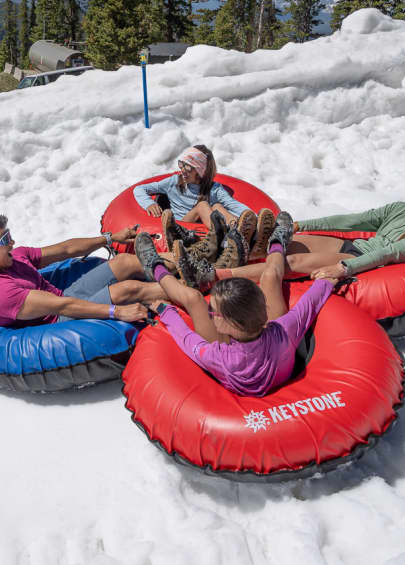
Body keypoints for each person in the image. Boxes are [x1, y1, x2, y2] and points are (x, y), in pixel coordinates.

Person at [134, 213, 337, 397]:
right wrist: (327, 280)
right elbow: (309, 304)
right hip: (270, 348)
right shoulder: (284, 330)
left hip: (238, 359)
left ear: (229, 324)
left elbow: (185, 338)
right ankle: (277, 242)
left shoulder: (215, 356)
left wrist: (165, 310)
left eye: (213, 311)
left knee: (194, 299)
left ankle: (156, 267)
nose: (210, 313)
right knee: (270, 275)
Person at [174, 160, 405, 288]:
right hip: (357, 245)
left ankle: (212, 276)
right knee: (284, 240)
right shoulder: (402, 208)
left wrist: (343, 268)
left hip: (366, 259)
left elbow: (392, 253)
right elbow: (353, 220)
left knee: (293, 259)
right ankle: (206, 248)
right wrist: (301, 224)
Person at [0, 214, 161, 328]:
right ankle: (180, 287)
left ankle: (181, 260)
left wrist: (110, 238)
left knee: (124, 262)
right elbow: (61, 306)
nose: (12, 242)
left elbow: (66, 249)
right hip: (56, 320)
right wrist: (117, 312)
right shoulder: (3, 292)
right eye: (5, 239)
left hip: (64, 296)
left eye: (9, 235)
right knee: (127, 289)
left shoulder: (18, 256)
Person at [133, 145, 276, 266]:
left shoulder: (213, 189)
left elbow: (234, 205)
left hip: (203, 229)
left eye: (188, 167)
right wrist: (149, 204)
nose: (182, 169)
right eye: (181, 164)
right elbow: (139, 189)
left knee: (218, 206)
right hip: (180, 227)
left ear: (200, 171)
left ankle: (240, 235)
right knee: (203, 205)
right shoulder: (174, 182)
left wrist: (256, 220)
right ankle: (229, 238)